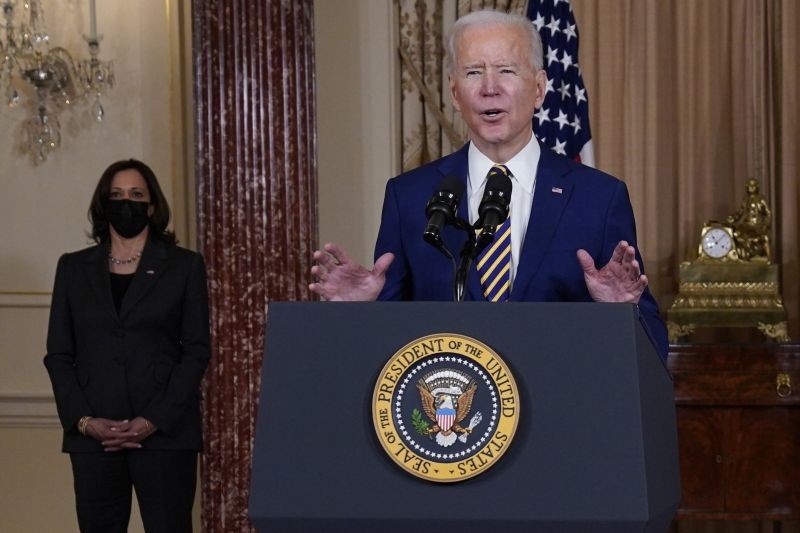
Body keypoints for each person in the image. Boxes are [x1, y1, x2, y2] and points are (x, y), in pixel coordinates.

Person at [309, 10, 668, 361]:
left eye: (506, 71)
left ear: (540, 89)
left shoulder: (599, 198)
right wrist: (357, 314)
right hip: (451, 415)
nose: (489, 88)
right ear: (454, 92)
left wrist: (624, 313)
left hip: (563, 412)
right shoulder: (410, 197)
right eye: (473, 72)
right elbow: (388, 348)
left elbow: (654, 346)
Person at [44, 159, 210, 532]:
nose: (126, 202)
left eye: (136, 195)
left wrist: (154, 420)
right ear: (103, 204)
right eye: (117, 195)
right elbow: (58, 355)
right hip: (94, 439)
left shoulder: (184, 267)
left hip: (166, 436)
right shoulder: (72, 268)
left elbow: (196, 351)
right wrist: (84, 422)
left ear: (152, 206)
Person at [725, 178, 771, 261]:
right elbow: (740, 213)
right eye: (749, 186)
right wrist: (732, 218)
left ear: (757, 187)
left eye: (753, 186)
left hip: (758, 225)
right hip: (746, 224)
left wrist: (765, 225)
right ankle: (745, 256)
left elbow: (768, 213)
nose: (751, 188)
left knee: (760, 237)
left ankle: (757, 255)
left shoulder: (761, 199)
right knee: (735, 234)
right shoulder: (745, 199)